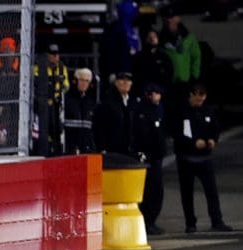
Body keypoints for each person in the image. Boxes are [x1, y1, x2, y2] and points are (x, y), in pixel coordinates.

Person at [171, 82, 232, 233]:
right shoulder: (182, 112)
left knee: (212, 191)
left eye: (202, 96)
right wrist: (192, 143)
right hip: (186, 158)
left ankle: (217, 220)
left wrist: (213, 139)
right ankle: (190, 223)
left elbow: (215, 128)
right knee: (187, 192)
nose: (200, 99)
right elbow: (177, 133)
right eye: (197, 95)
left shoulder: (208, 110)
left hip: (205, 158)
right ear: (190, 95)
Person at [133, 83, 168, 235]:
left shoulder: (160, 108)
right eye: (154, 93)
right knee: (147, 190)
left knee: (157, 190)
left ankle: (152, 221)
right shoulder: (140, 110)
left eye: (158, 93)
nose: (157, 96)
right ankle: (145, 221)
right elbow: (140, 133)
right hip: (146, 156)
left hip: (157, 156)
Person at [159, 7, 200, 113]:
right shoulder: (160, 39)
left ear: (178, 18)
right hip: (168, 84)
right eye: (166, 17)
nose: (169, 20)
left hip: (186, 82)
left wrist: (194, 76)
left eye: (172, 17)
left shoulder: (188, 37)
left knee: (187, 112)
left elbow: (196, 57)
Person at [31, 43, 69, 156]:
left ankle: (57, 153)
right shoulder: (38, 67)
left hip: (56, 104)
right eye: (53, 54)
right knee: (42, 133)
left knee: (57, 131)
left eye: (57, 54)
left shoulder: (62, 68)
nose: (55, 57)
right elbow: (33, 84)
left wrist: (59, 92)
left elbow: (66, 86)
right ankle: (42, 153)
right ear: (47, 55)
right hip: (42, 104)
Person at [93, 71, 137, 157]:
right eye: (122, 80)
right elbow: (100, 127)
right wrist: (102, 148)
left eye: (128, 80)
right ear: (116, 83)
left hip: (130, 153)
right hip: (112, 153)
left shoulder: (133, 103)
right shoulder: (108, 103)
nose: (125, 82)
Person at [132, 29, 173, 107]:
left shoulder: (164, 57)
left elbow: (169, 75)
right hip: (144, 93)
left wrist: (160, 91)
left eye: (154, 36)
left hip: (161, 94)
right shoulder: (138, 57)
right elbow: (136, 75)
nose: (152, 39)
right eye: (149, 37)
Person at [63, 68, 97, 154]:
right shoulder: (66, 99)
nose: (84, 83)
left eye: (87, 81)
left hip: (86, 148)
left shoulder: (90, 102)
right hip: (69, 148)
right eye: (82, 80)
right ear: (76, 80)